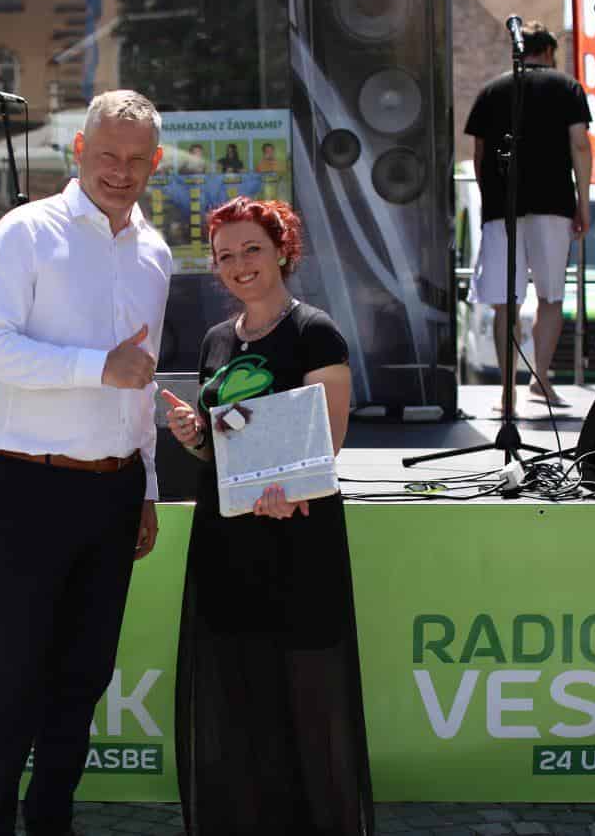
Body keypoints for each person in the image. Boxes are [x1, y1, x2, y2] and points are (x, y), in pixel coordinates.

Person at [0, 89, 171, 836]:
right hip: (32, 482)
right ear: (78, 150)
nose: (121, 171)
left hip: (115, 491)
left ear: (155, 163)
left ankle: (51, 818)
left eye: (136, 159)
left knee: (84, 674)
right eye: (107, 154)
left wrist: (147, 486)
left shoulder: (156, 253)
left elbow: (140, 381)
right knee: (15, 673)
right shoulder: (26, 231)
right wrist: (95, 367)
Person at [162, 196, 374, 836]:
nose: (239, 264)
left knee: (306, 695)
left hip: (296, 538)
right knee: (235, 690)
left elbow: (328, 441)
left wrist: (287, 486)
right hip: (225, 538)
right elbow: (220, 449)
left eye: (252, 248)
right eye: (225, 255)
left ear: (283, 250)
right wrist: (193, 436)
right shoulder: (215, 339)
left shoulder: (315, 332)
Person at [465, 20, 592, 409]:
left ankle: (508, 391)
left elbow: (479, 154)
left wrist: (489, 197)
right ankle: (542, 380)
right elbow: (580, 145)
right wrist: (583, 202)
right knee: (550, 297)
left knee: (506, 303)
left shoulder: (492, 90)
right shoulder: (567, 87)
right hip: (554, 204)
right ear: (549, 51)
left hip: (501, 209)